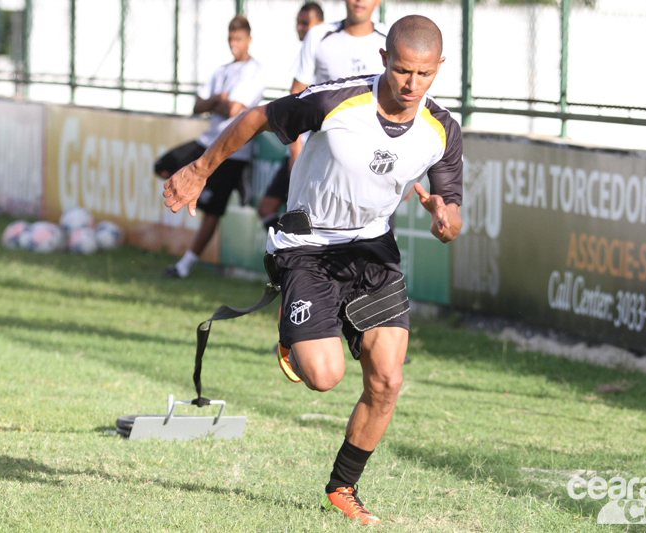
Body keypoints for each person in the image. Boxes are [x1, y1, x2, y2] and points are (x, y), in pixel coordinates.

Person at [163, 15, 463, 524]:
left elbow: (453, 211)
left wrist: (444, 218)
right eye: (402, 71)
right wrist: (198, 169)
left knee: (387, 381)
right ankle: (294, 335)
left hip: (372, 250)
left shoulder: (442, 130)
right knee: (324, 376)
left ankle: (343, 487)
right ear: (385, 59)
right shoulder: (338, 100)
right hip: (306, 245)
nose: (411, 85)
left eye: (424, 75)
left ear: (439, 68)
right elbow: (258, 117)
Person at [155, 15, 266, 279]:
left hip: (233, 151)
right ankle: (194, 193)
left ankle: (184, 266)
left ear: (249, 39)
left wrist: (215, 104)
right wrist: (218, 99)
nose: (234, 44)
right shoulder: (222, 71)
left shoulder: (255, 70)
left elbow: (234, 110)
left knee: (212, 212)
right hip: (208, 142)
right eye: (231, 38)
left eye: (238, 39)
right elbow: (198, 105)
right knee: (163, 166)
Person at [257, 2, 325, 231]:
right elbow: (294, 103)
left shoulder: (326, 56)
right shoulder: (304, 54)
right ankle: (286, 258)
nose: (300, 28)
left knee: (307, 218)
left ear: (321, 26)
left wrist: (296, 151)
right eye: (299, 23)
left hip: (313, 153)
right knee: (268, 208)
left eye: (306, 23)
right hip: (298, 148)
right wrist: (294, 149)